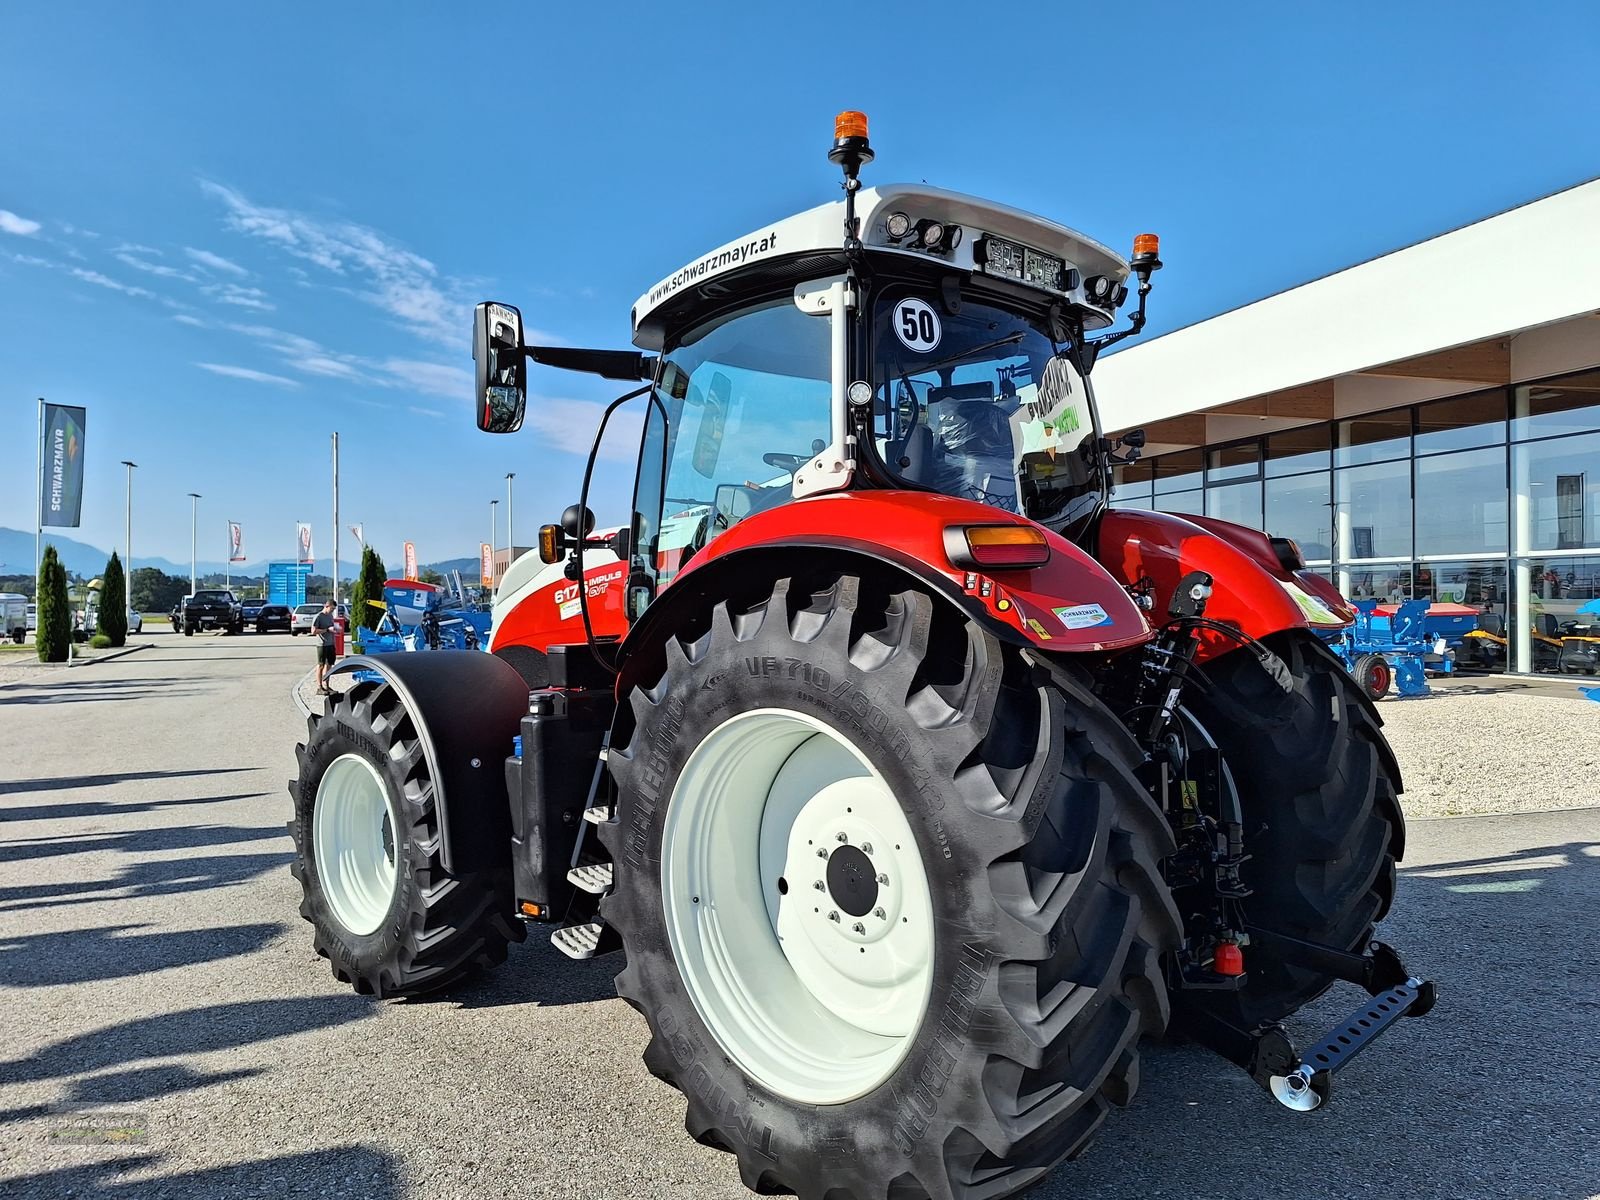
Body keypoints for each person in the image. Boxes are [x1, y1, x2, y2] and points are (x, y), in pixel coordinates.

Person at [312, 599, 337, 695]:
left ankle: (326, 685)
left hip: (330, 643)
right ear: (326, 606)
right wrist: (326, 630)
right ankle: (319, 687)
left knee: (329, 665)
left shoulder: (330, 616)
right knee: (321, 665)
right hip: (322, 644)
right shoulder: (318, 617)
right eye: (331, 609)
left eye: (334, 609)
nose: (332, 611)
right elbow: (313, 631)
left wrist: (335, 629)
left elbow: (331, 627)